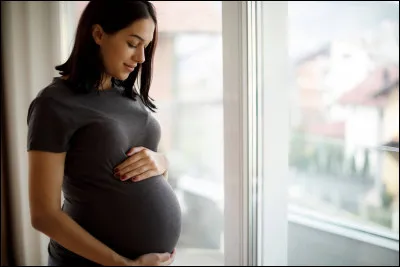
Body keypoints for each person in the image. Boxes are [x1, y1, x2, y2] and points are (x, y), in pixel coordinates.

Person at [27, 1, 182, 266]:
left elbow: (149, 165)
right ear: (98, 34)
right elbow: (43, 214)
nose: (141, 58)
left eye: (146, 46)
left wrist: (161, 161)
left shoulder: (131, 98)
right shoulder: (54, 104)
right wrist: (122, 264)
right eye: (133, 43)